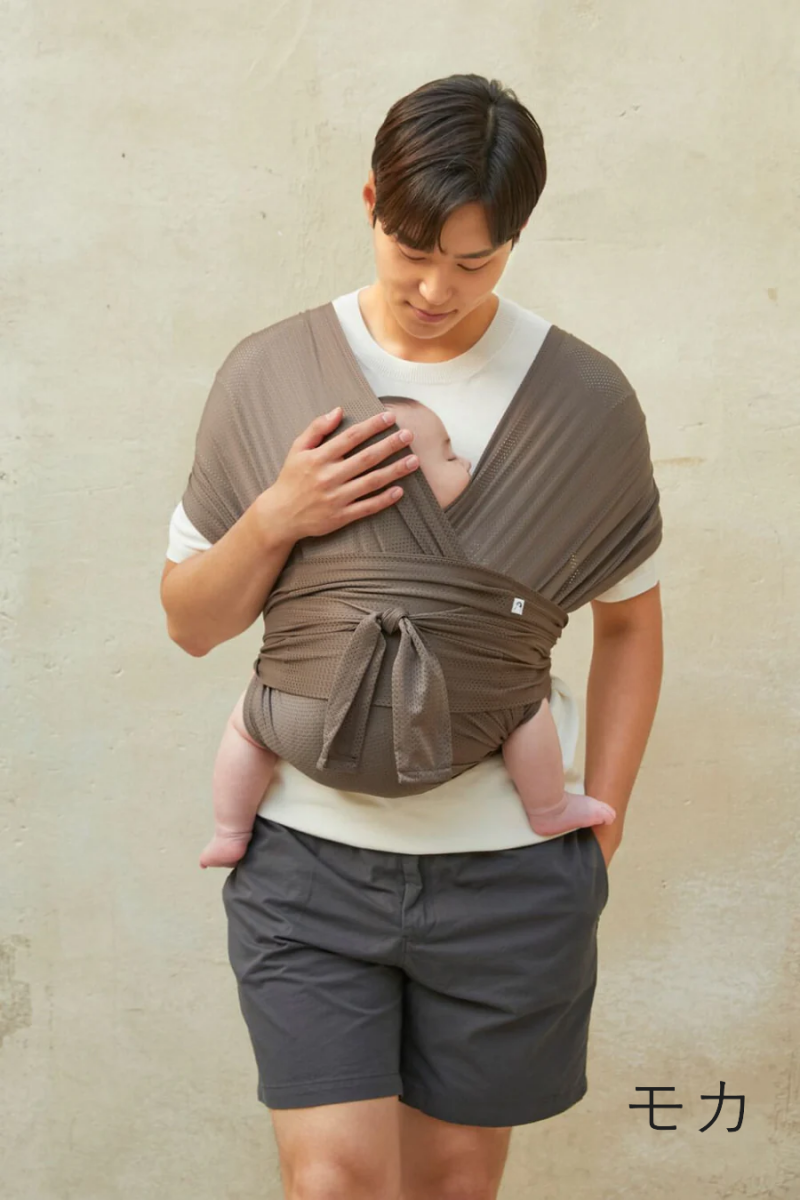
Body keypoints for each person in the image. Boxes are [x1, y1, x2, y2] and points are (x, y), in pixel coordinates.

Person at [162, 73, 663, 1200]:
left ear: (516, 239)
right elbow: (190, 623)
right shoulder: (272, 374)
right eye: (412, 250)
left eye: (476, 262)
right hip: (306, 864)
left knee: (453, 1186)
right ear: (369, 204)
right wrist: (276, 517)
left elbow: (630, 623)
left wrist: (606, 821)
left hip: (507, 874)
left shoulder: (581, 403)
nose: (437, 289)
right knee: (333, 1182)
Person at [198, 396, 616, 870]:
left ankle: (230, 830)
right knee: (525, 704)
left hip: (299, 719)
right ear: (408, 482)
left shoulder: (316, 533)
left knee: (246, 726)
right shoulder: (490, 541)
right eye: (450, 455)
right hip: (464, 731)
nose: (467, 462)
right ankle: (548, 808)